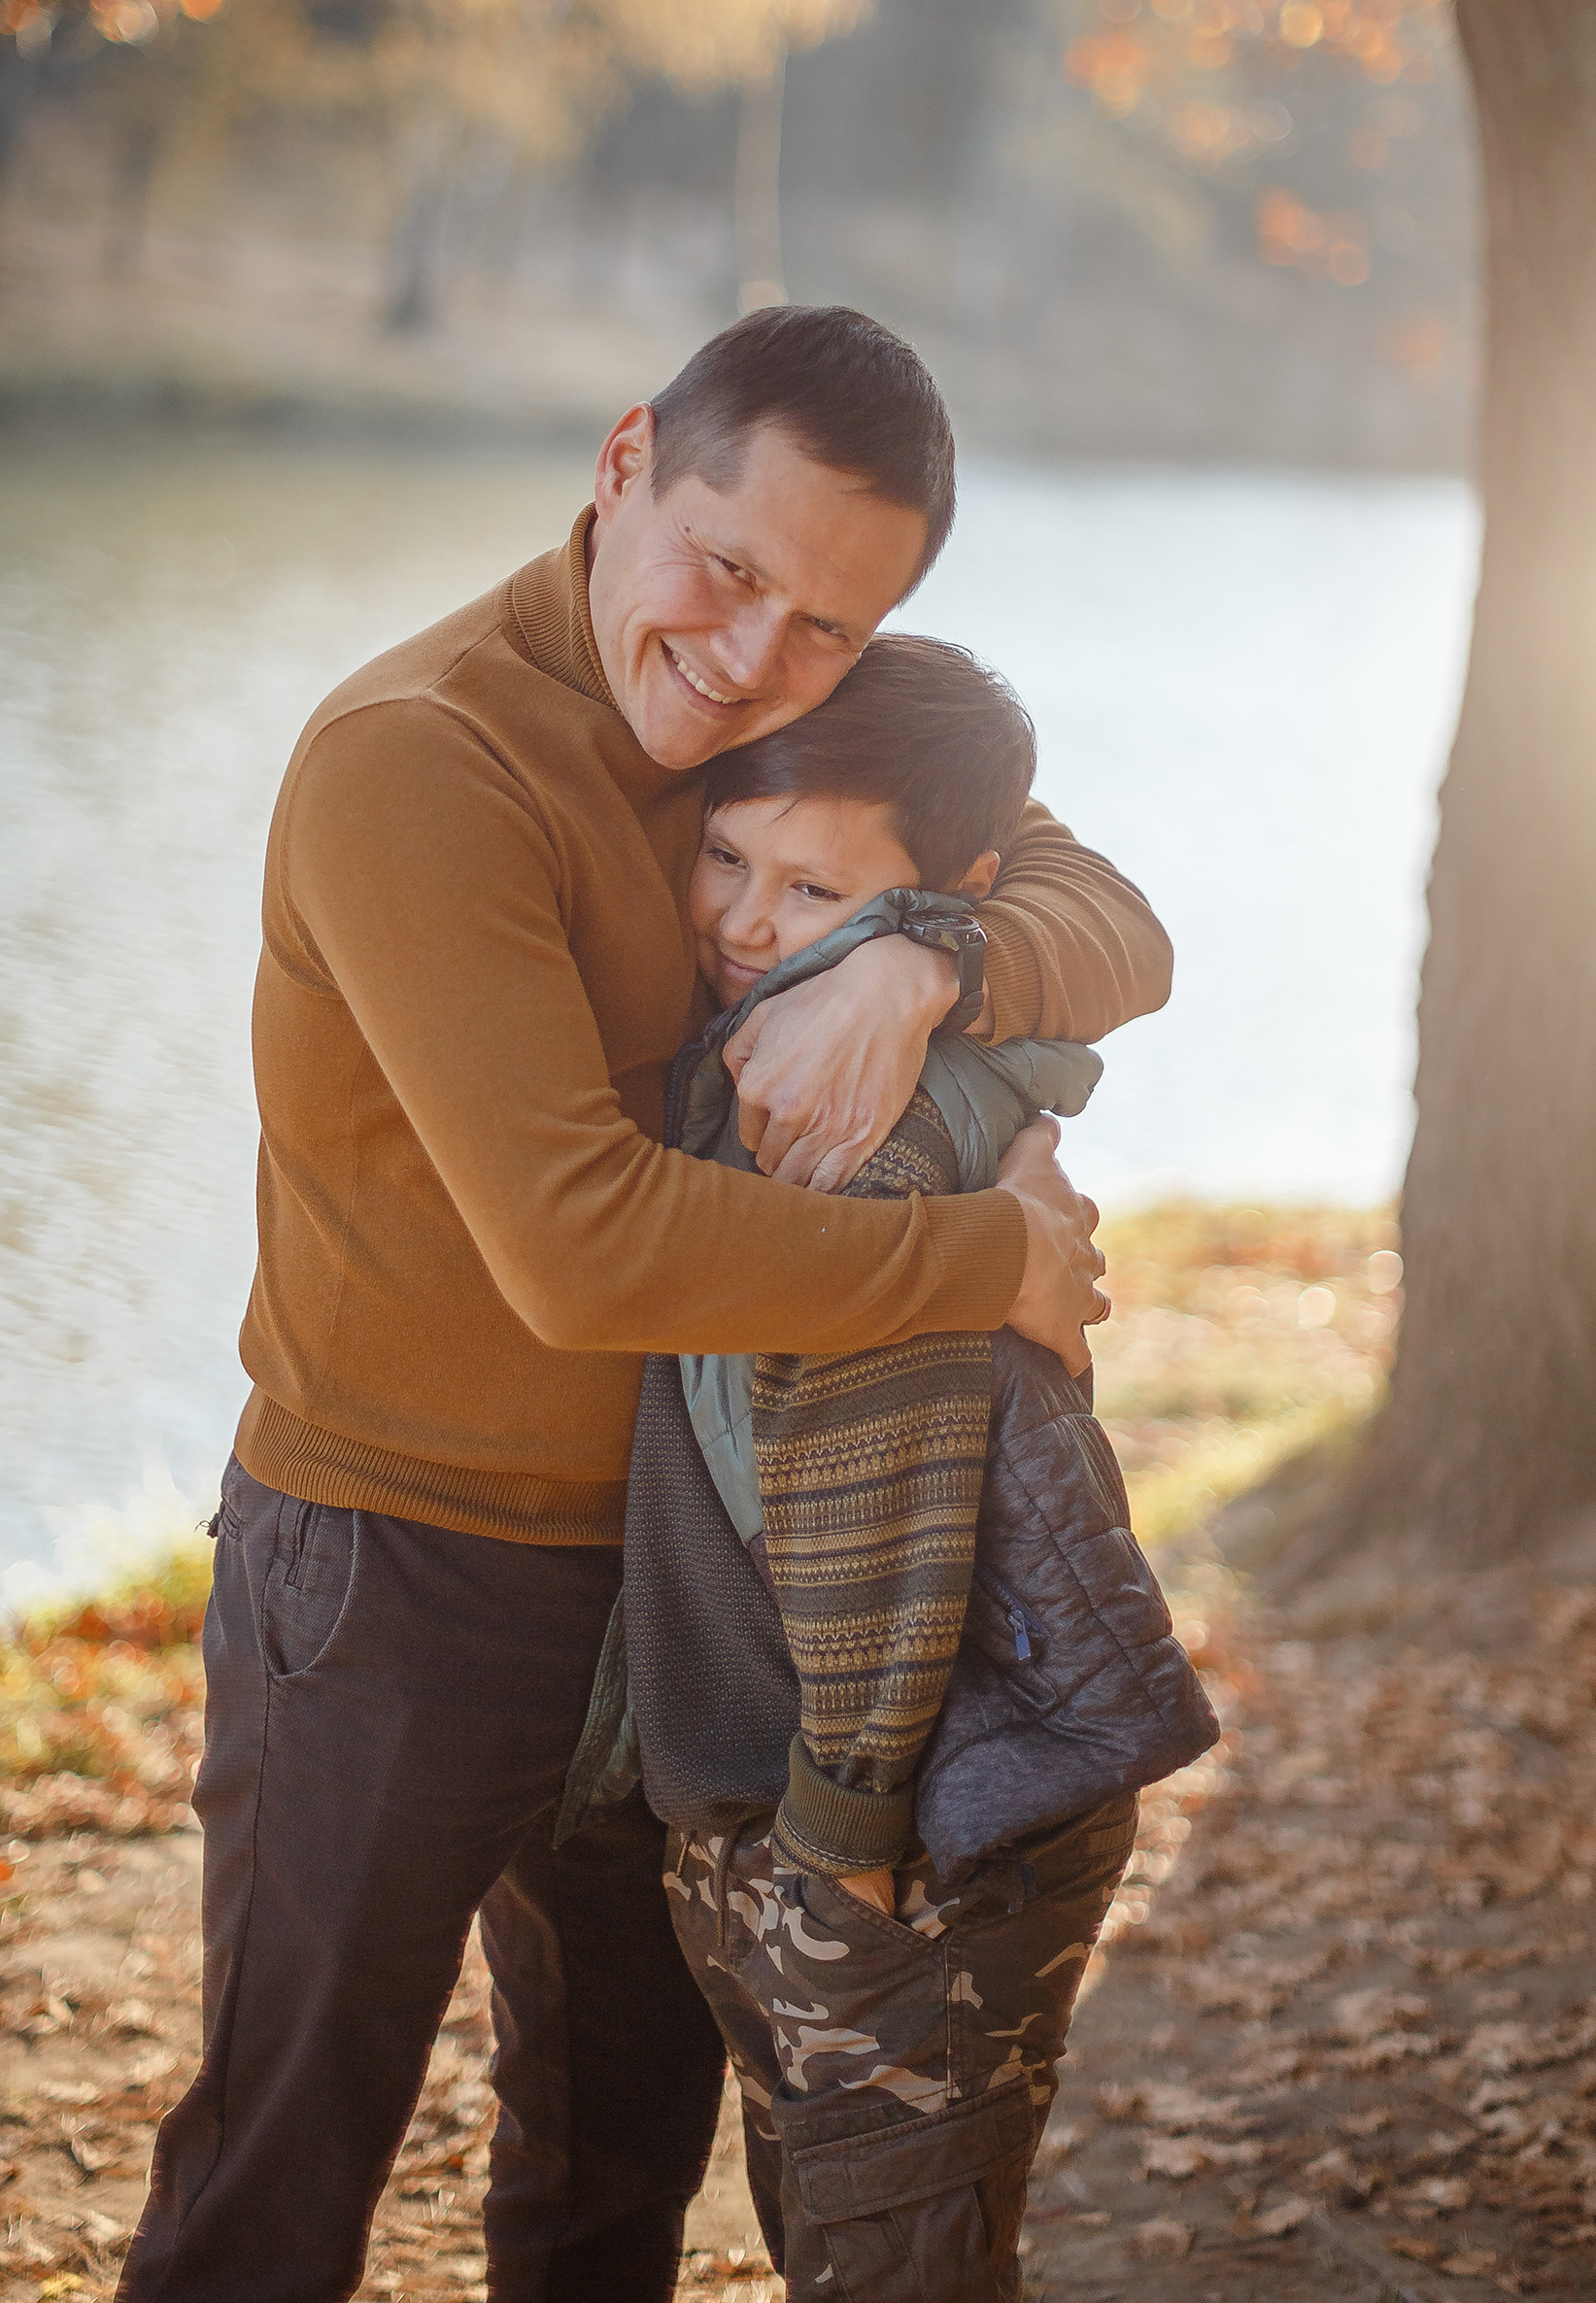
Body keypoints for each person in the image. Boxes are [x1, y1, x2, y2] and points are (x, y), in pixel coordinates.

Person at [118, 304, 1172, 2303]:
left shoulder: (782, 733)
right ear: (625, 467)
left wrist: (919, 959)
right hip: (389, 1577)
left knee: (611, 2182)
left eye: (829, 630)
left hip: (679, 1586)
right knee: (281, 2175)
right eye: (731, 568)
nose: (755, 654)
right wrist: (988, 1264)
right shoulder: (415, 760)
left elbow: (1116, 920)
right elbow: (585, 1246)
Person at [616, 637, 1215, 2298]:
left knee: (903, 2255)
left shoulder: (853, 1131)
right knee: (864, 2233)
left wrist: (846, 1835)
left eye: (814, 891)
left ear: (947, 896)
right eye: (725, 858)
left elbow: (865, 1514)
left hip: (909, 1823)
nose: (742, 921)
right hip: (846, 1813)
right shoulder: (797, 1048)